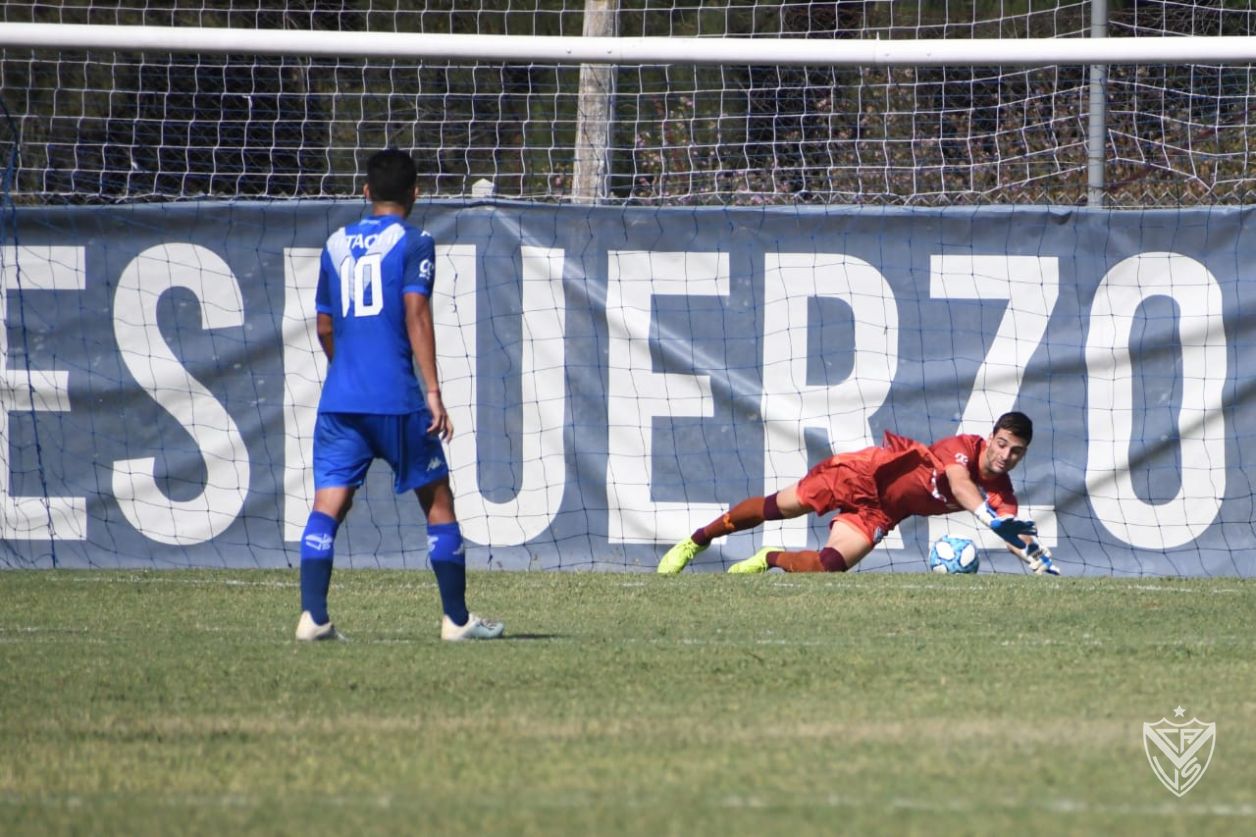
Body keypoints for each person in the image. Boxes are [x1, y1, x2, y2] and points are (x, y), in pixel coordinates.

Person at [295, 148, 504, 641]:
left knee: (327, 505)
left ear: (366, 191)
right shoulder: (416, 242)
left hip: (340, 401)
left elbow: (324, 326)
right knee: (438, 501)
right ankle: (456, 620)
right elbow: (416, 314)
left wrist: (348, 371)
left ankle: (313, 617)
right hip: (396, 399)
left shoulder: (335, 243)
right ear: (416, 193)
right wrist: (433, 391)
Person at [657, 411, 1059, 576]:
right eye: (1002, 444)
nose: (1005, 455)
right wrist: (990, 518)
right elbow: (959, 484)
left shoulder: (1002, 492)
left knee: (828, 566)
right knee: (776, 508)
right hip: (861, 474)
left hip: (881, 513)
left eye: (1016, 451)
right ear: (991, 438)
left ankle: (768, 558)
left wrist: (1034, 557)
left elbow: (1012, 530)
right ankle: (696, 541)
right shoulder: (964, 447)